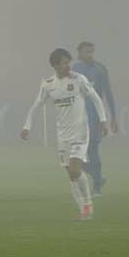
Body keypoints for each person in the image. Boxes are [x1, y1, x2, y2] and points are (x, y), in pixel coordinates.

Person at [21, 48, 109, 220]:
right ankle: (84, 211)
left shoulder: (78, 79)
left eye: (69, 62)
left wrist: (103, 120)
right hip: (63, 137)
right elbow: (36, 105)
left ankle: (88, 204)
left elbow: (96, 98)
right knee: (72, 175)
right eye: (64, 63)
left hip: (81, 132)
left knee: (76, 169)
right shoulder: (48, 84)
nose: (68, 66)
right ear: (55, 66)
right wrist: (27, 126)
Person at [73, 41, 117, 196]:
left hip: (95, 119)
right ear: (79, 53)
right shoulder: (74, 70)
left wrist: (113, 117)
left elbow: (108, 93)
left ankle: (97, 187)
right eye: (86, 52)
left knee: (92, 151)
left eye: (92, 51)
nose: (90, 55)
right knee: (73, 156)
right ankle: (98, 176)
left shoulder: (100, 70)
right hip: (77, 119)